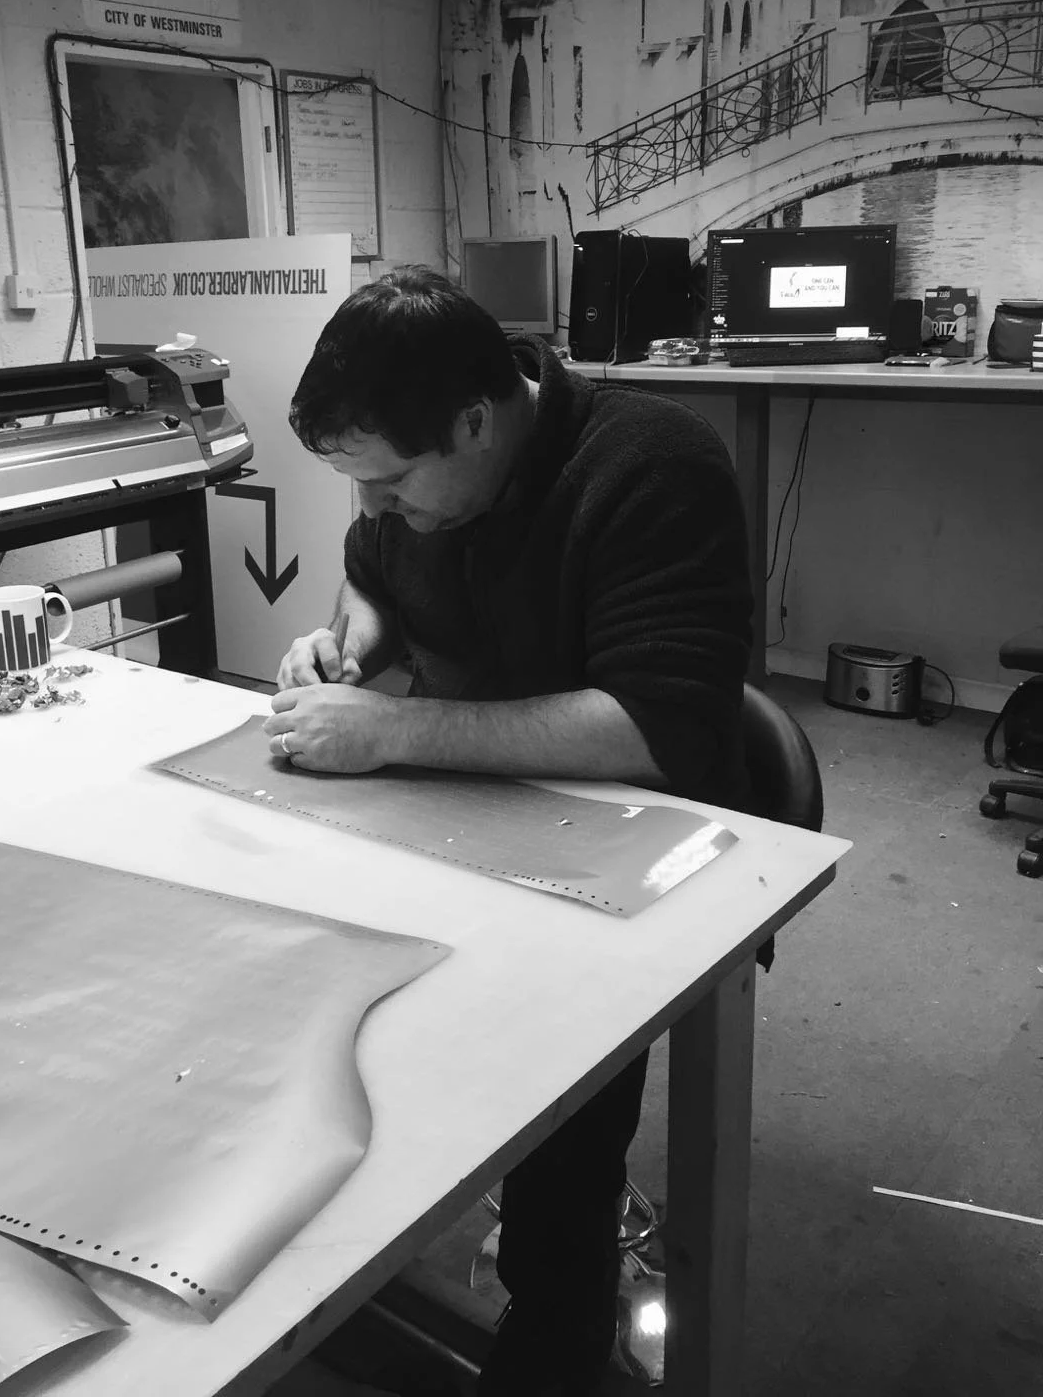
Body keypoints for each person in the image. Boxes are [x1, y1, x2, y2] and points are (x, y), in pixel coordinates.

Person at [267, 265, 752, 1397]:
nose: (376, 506)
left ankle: (559, 1328)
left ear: (478, 421)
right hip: (461, 798)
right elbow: (376, 575)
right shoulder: (418, 474)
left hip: (629, 834)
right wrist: (353, 647)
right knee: (328, 1002)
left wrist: (392, 727)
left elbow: (656, 728)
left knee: (554, 1106)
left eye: (390, 483)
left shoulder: (653, 466)